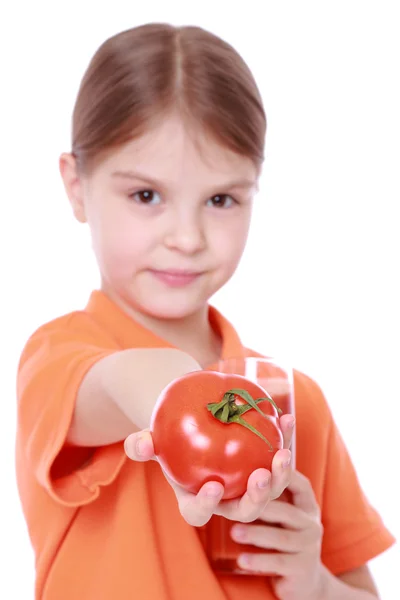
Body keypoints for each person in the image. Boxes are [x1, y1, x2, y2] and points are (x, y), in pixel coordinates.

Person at [16, 23, 395, 600]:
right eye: (146, 195)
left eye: (221, 200)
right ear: (75, 186)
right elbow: (123, 382)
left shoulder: (292, 405)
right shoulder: (58, 359)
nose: (187, 237)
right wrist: (190, 415)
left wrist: (314, 583)